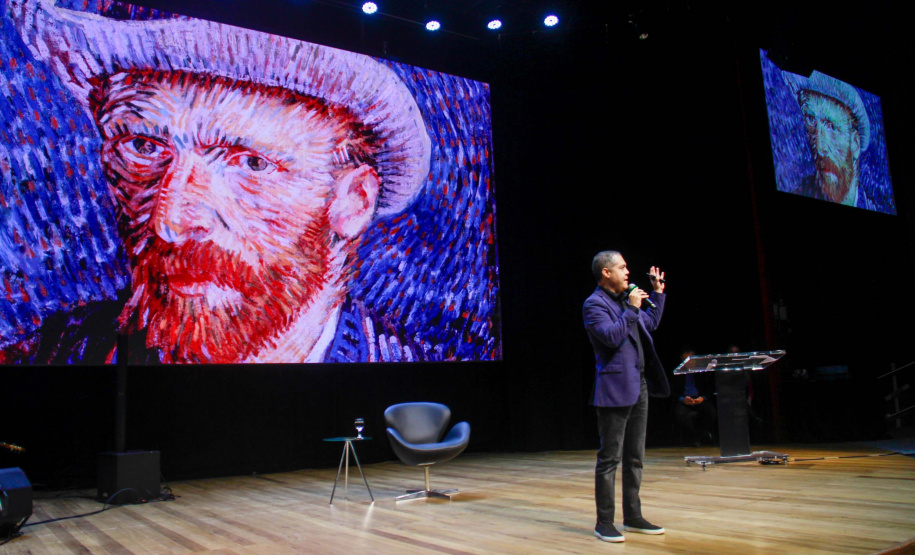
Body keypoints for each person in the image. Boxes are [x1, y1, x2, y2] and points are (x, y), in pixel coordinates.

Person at [0, 0, 496, 365]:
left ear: (353, 200)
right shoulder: (44, 358)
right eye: (144, 148)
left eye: (250, 164)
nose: (170, 220)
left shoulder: (400, 365)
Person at [583, 250, 669, 543]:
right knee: (610, 459)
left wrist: (657, 295)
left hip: (639, 386)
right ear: (606, 272)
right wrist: (632, 309)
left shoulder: (623, 302)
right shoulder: (594, 304)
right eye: (622, 267)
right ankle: (604, 521)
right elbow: (610, 337)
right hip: (614, 390)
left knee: (635, 457)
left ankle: (633, 516)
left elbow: (650, 324)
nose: (628, 272)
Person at [788, 71, 871, 208]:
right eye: (811, 120)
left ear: (855, 143)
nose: (820, 148)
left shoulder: (872, 207)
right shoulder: (797, 192)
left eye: (831, 127)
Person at [672, 349, 717, 447]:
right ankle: (697, 436)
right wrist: (683, 399)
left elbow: (710, 389)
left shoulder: (702, 371)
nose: (690, 362)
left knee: (711, 413)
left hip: (699, 399)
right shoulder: (677, 373)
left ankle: (703, 433)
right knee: (680, 414)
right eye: (687, 359)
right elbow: (672, 391)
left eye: (692, 359)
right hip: (685, 400)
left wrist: (702, 398)